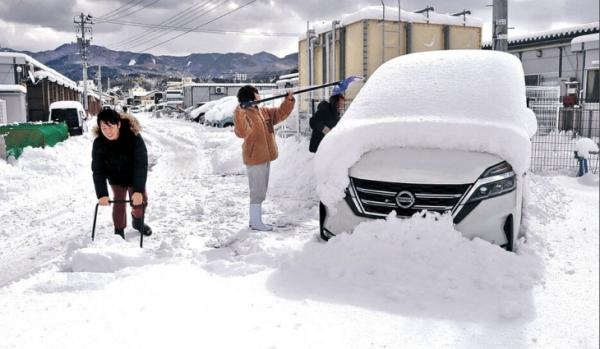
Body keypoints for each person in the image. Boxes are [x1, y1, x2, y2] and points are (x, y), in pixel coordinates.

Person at [234, 85, 295, 231]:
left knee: (261, 190)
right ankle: (255, 222)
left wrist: (289, 100)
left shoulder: (262, 111)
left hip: (266, 157)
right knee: (257, 191)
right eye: (257, 94)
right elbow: (241, 132)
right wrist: (240, 110)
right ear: (251, 96)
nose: (260, 96)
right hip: (255, 158)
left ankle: (254, 220)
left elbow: (280, 114)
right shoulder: (245, 113)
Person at [91, 108, 152, 239]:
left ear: (118, 124)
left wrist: (138, 190)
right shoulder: (99, 143)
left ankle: (137, 222)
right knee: (118, 203)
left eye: (110, 127)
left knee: (141, 200)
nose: (107, 132)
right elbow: (98, 170)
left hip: (133, 175)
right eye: (103, 128)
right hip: (115, 177)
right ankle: (119, 232)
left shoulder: (133, 137)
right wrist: (102, 194)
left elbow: (141, 164)